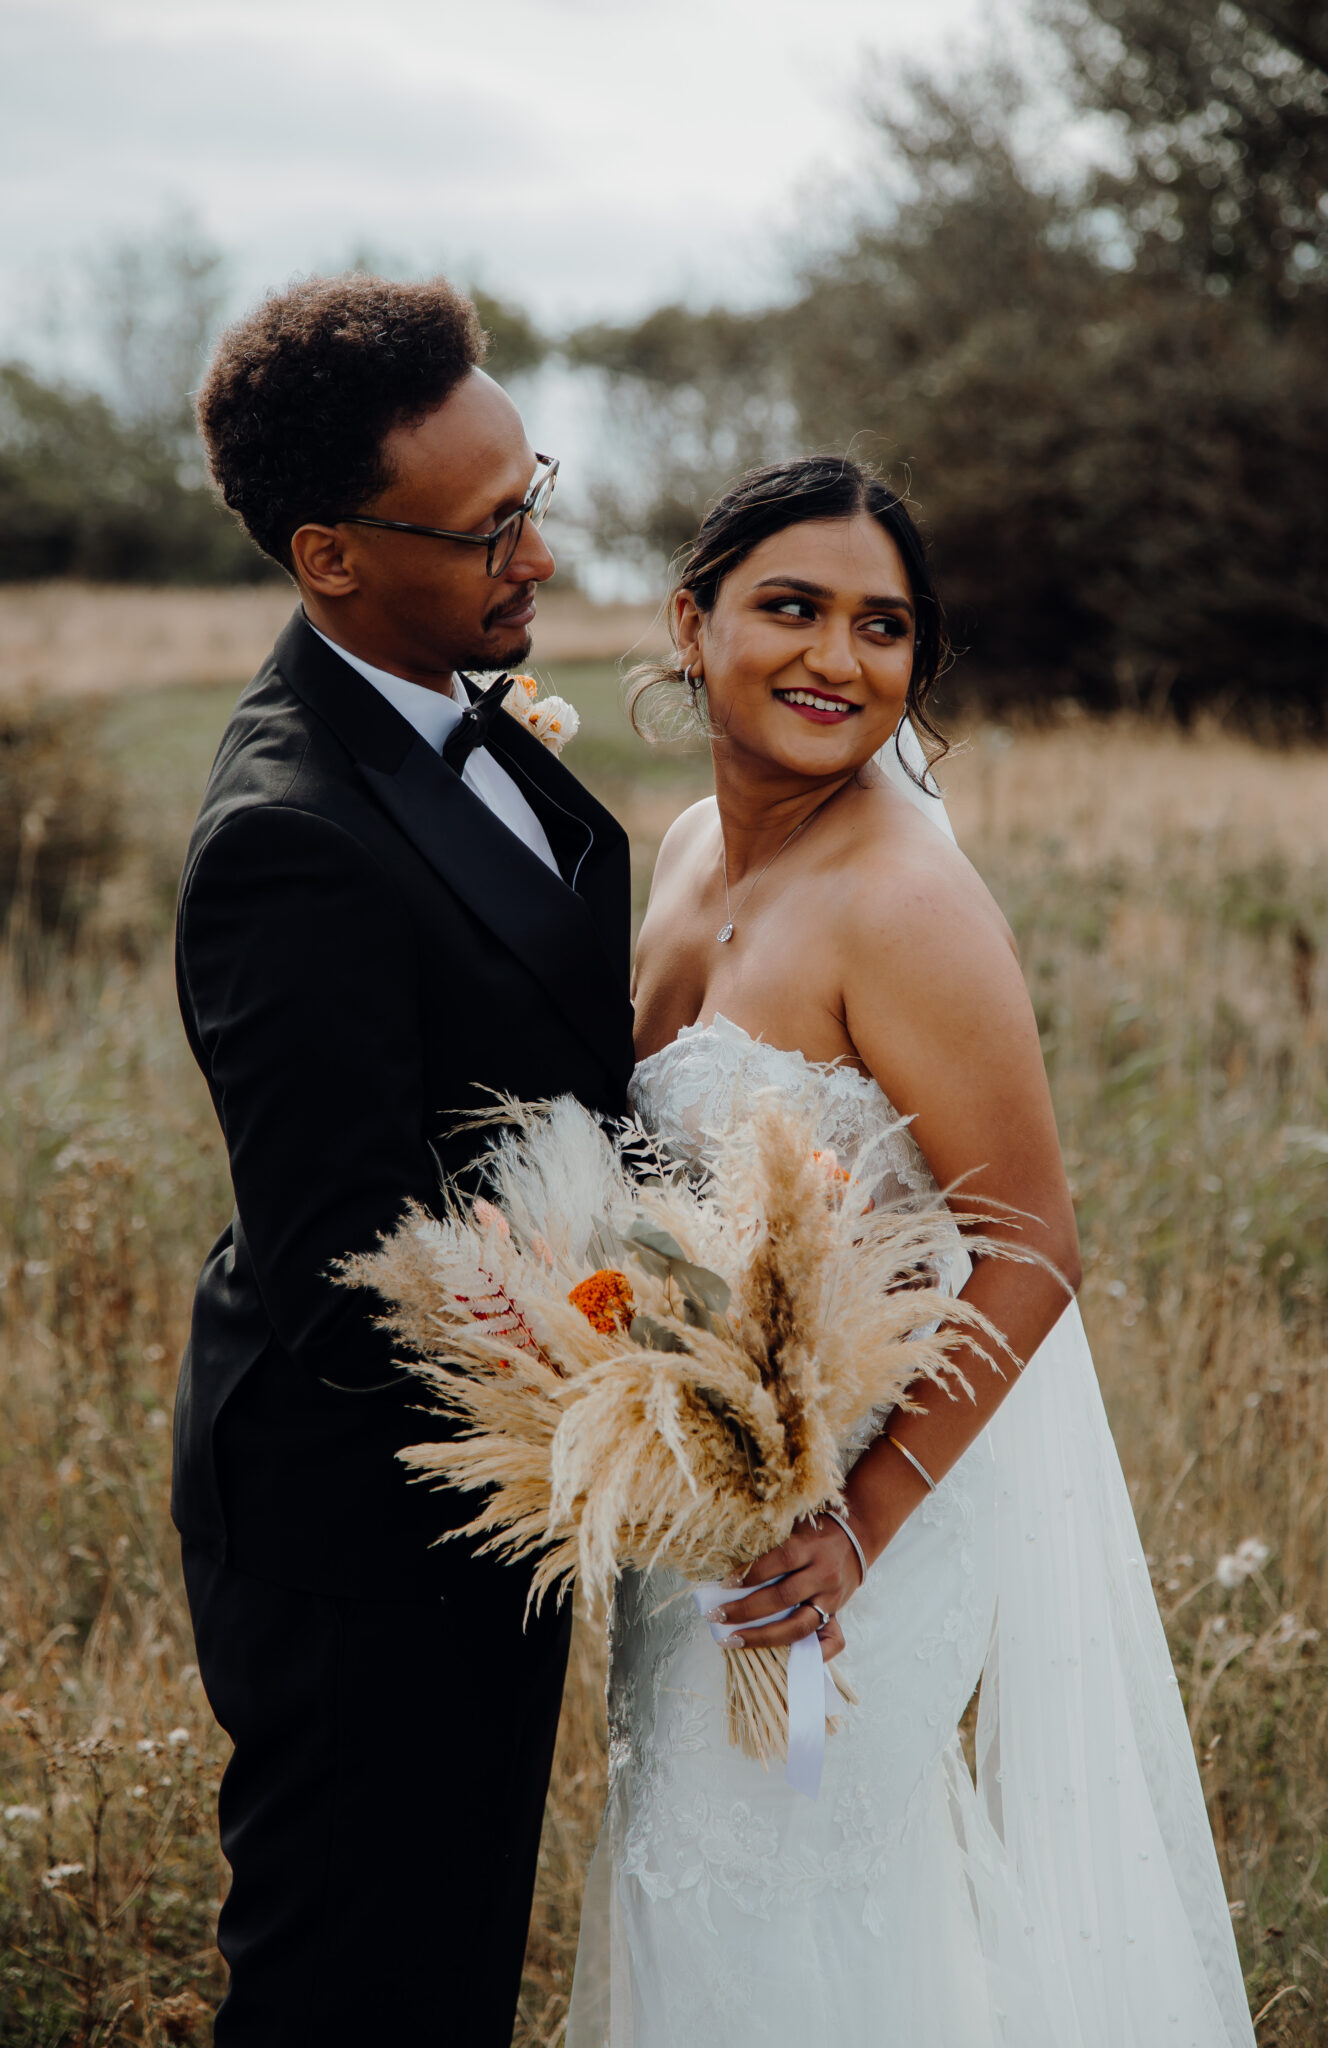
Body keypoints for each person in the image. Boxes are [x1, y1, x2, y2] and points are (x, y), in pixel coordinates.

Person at [566, 457, 1256, 2046]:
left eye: (882, 627)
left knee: (780, 1889)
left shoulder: (903, 900)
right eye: (790, 608)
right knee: (688, 1867)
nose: (836, 658)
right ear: (691, 621)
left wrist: (854, 1528)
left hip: (858, 1524)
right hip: (712, 1491)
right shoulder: (685, 851)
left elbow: (1031, 1249)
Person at [174, 275, 634, 2047]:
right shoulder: (291, 842)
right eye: (488, 529)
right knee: (354, 1987)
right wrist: (649, 1366)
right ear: (330, 556)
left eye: (534, 493)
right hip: (359, 1538)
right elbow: (342, 1274)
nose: (535, 553)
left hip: (473, 1505)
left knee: (446, 1964)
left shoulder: (450, 700)